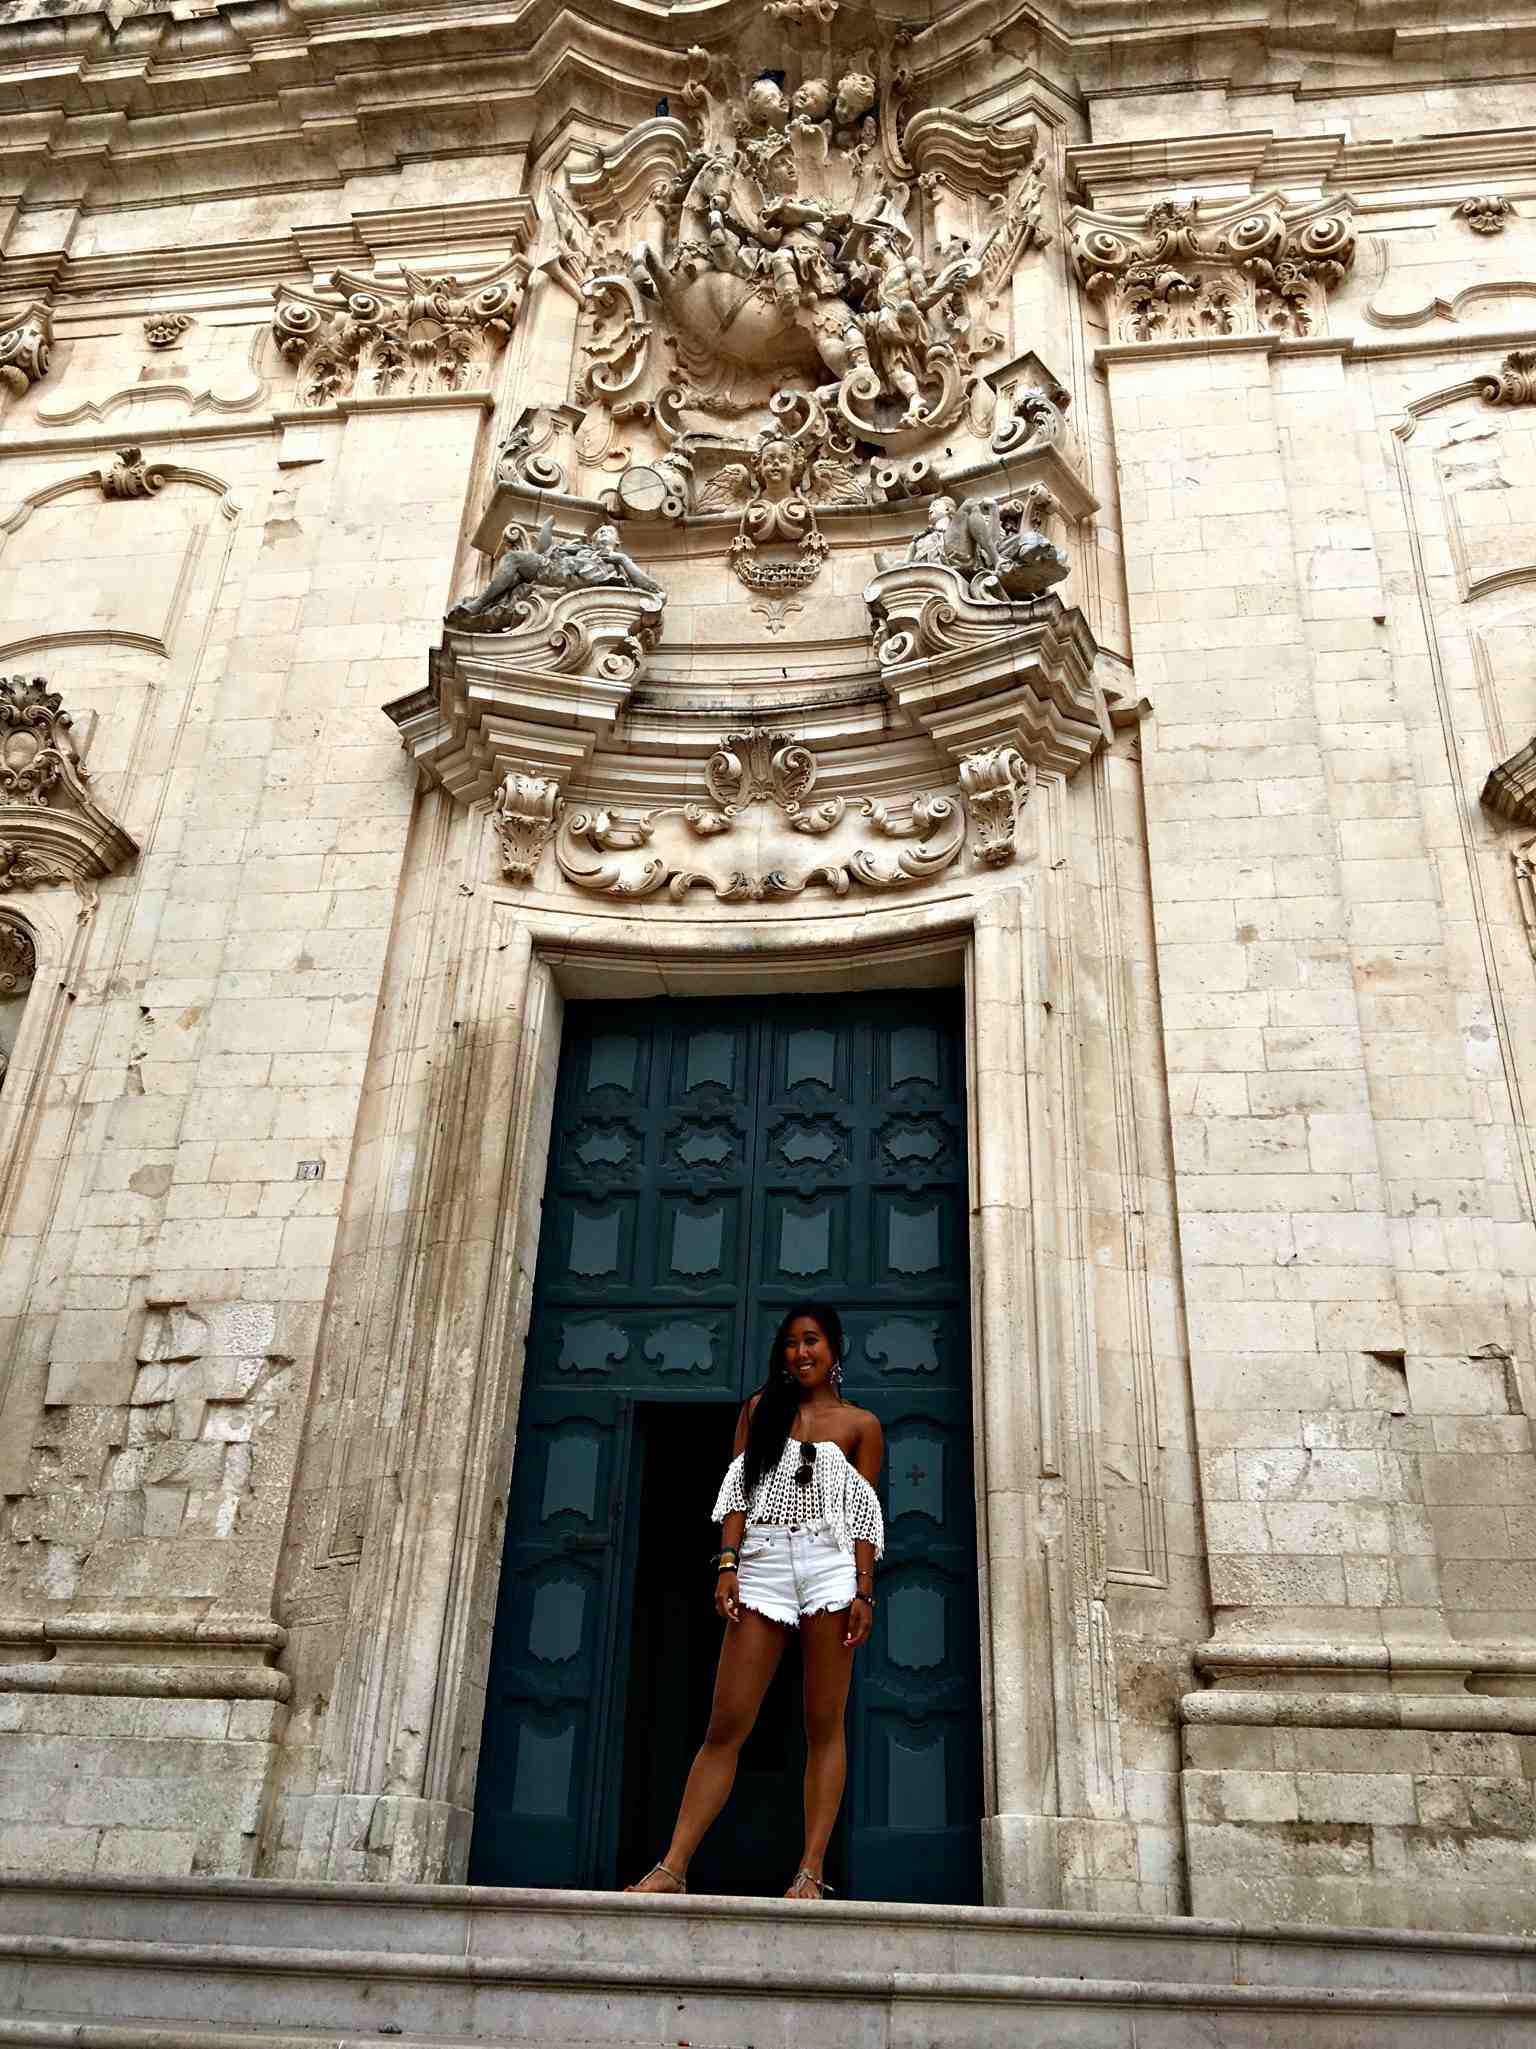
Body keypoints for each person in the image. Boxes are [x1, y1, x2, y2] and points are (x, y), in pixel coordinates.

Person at [625, 1303, 884, 1901]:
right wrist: (727, 1564)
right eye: (791, 1342)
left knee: (824, 1724)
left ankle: (810, 1871)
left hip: (830, 1567)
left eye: (812, 1340)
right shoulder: (760, 1410)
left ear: (834, 1349)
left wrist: (864, 1591)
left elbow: (864, 1516)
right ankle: (672, 1868)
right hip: (763, 1564)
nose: (801, 1352)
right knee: (726, 1724)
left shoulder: (861, 1425)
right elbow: (738, 1494)